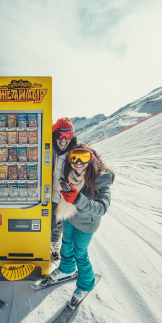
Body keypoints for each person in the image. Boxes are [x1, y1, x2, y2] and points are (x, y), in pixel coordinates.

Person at [48, 143, 114, 307]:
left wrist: (78, 199)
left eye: (84, 157)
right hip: (70, 217)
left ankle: (86, 283)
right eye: (74, 157)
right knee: (66, 245)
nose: (78, 162)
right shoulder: (71, 173)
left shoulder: (101, 178)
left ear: (92, 158)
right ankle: (66, 268)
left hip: (86, 224)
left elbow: (101, 208)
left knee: (80, 252)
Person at [51, 117, 78, 261]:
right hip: (47, 196)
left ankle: (54, 245)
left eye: (67, 135)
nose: (63, 139)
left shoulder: (75, 153)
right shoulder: (49, 149)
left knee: (59, 225)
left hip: (62, 198)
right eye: (59, 134)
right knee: (47, 222)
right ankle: (43, 244)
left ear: (72, 136)